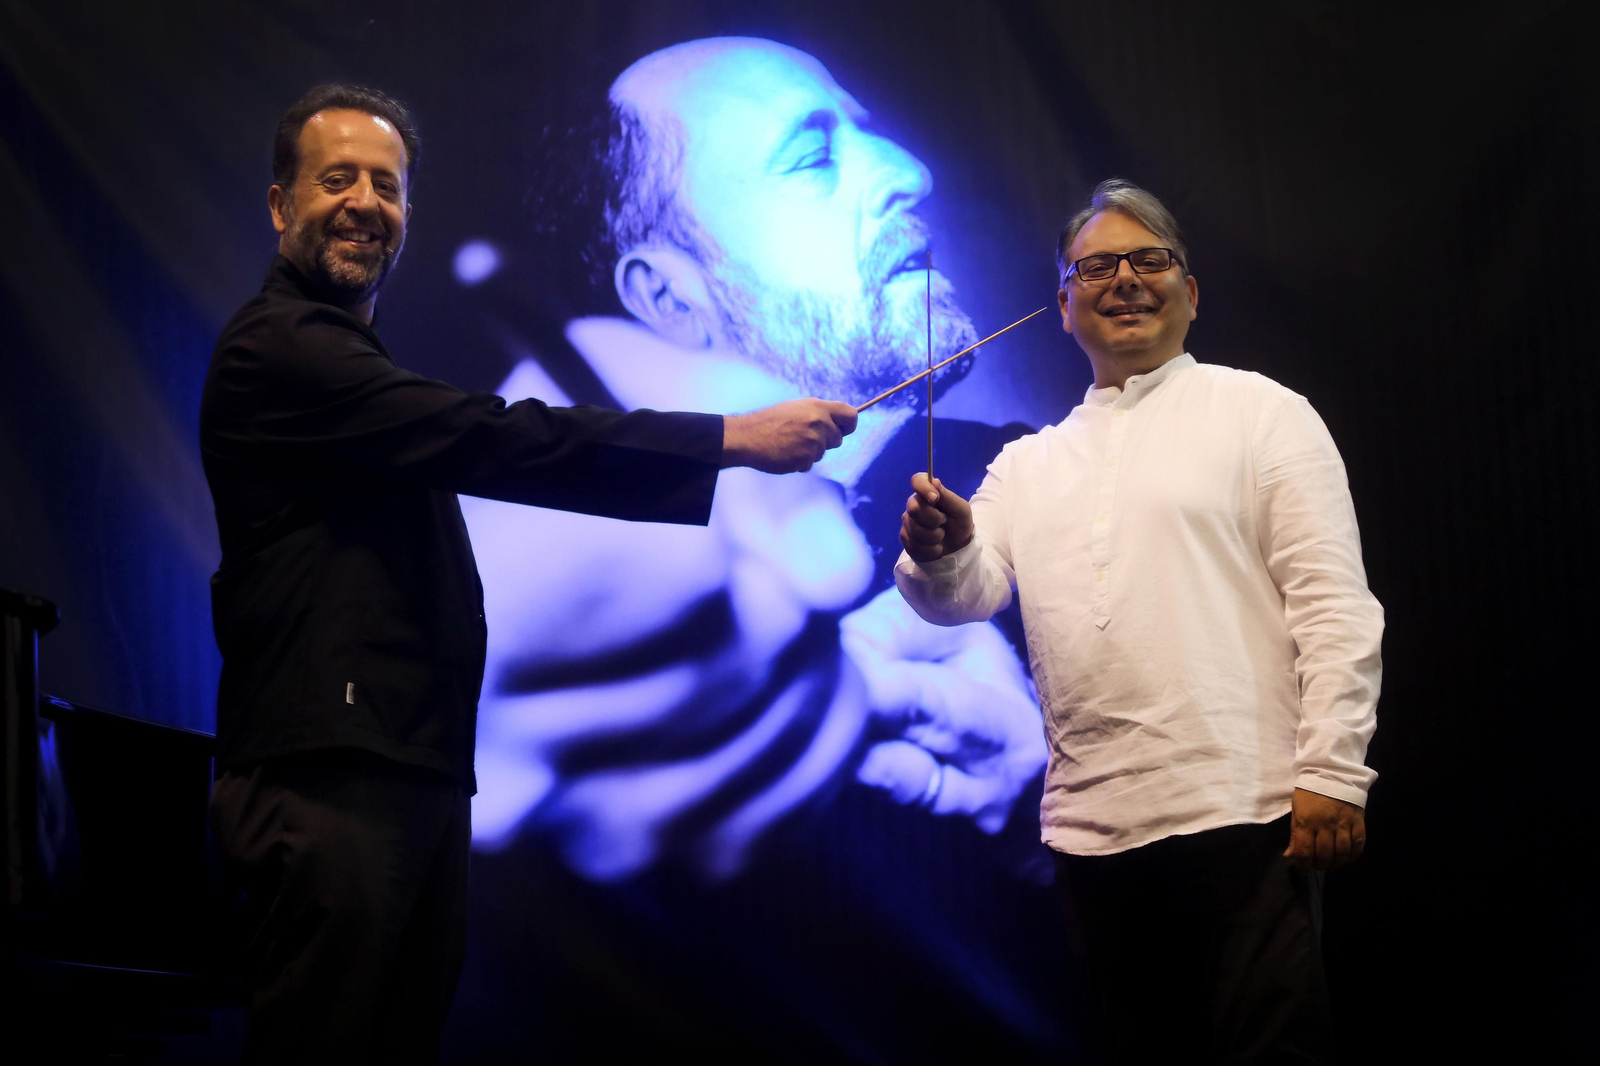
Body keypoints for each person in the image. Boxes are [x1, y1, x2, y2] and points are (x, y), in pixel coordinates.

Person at [199, 83, 856, 1064]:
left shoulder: (347, 365)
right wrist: (729, 440)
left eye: (387, 184)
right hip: (330, 780)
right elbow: (491, 437)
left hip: (405, 772)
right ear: (279, 205)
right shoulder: (281, 350)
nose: (365, 202)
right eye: (337, 179)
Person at [462, 37, 1046, 879]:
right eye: (811, 156)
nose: (908, 170)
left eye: (867, 131)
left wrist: (1056, 825)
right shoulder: (602, 607)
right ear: (668, 297)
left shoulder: (1050, 488)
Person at [896, 179, 1383, 1063]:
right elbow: (957, 599)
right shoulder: (1028, 463)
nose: (1125, 278)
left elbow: (1334, 603)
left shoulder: (1262, 413)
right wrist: (940, 549)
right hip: (1093, 830)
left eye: (1150, 259)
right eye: (1098, 266)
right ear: (1063, 304)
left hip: (1248, 811)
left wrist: (1334, 772)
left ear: (1189, 292)